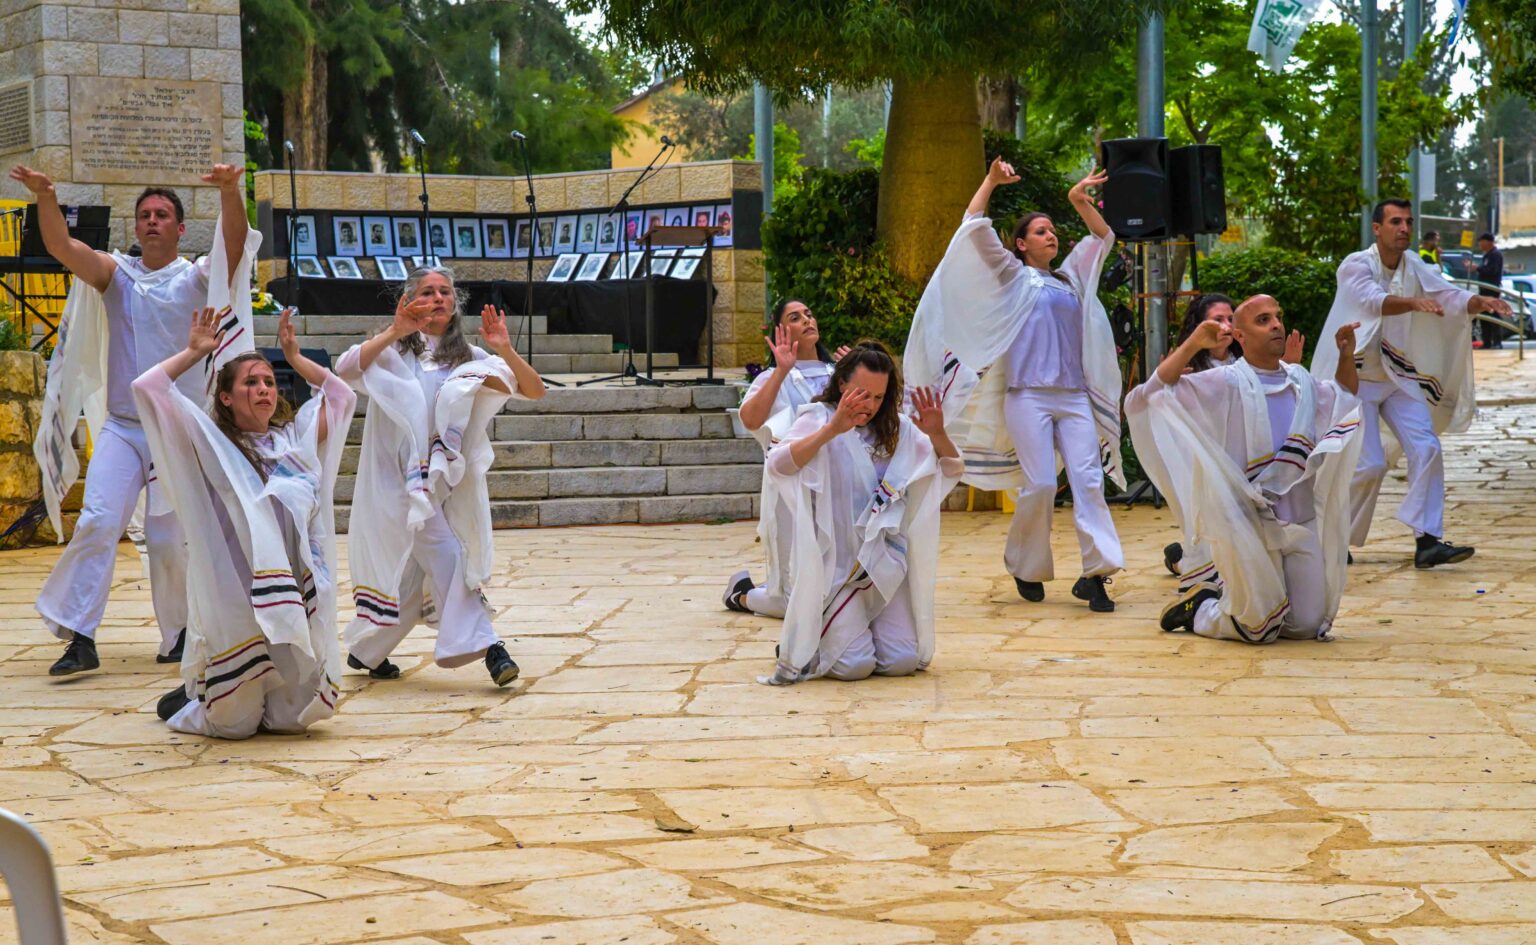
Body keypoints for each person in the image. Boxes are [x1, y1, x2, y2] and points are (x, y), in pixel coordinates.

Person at [10, 162, 258, 676]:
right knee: (100, 521)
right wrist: (47, 197)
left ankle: (180, 635)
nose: (151, 221)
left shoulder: (196, 277)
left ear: (180, 228)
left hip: (179, 429)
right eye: (144, 214)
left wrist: (232, 192)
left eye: (162, 214)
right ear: (136, 226)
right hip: (124, 427)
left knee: (169, 540)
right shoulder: (114, 276)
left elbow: (234, 248)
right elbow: (62, 248)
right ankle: (80, 635)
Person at [904, 156, 1125, 612]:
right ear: (1021, 245)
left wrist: (1078, 200)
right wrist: (989, 180)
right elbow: (972, 225)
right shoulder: (1012, 276)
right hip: (1027, 396)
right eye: (1040, 231)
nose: (1051, 235)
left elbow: (1104, 238)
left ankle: (1097, 575)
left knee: (1088, 481)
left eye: (1052, 229)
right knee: (1041, 483)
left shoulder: (1072, 279)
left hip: (1074, 397)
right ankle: (1026, 566)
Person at [135, 307, 354, 737]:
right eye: (251, 382)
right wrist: (193, 352)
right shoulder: (209, 442)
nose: (263, 389)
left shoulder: (294, 441)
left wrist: (295, 359)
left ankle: (217, 691)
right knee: (236, 727)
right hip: (234, 593)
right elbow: (147, 388)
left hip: (290, 588)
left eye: (269, 382)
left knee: (293, 722)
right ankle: (196, 701)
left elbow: (343, 397)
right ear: (226, 397)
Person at [338, 267, 545, 687]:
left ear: (455, 304)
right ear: (409, 299)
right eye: (427, 292)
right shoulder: (393, 353)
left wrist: (505, 349)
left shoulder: (468, 357)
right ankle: (491, 648)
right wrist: (395, 330)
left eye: (445, 292)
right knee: (449, 556)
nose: (437, 298)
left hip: (447, 484)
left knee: (414, 579)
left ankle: (367, 650)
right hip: (400, 482)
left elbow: (533, 389)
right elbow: (345, 370)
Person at [1129, 295, 1363, 643]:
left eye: (1278, 317)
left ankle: (1239, 597)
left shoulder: (1301, 381)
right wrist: (1194, 343)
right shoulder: (1225, 382)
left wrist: (1345, 355)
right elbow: (1153, 392)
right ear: (1240, 335)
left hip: (1299, 520)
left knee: (1304, 627)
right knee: (1259, 629)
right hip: (1247, 522)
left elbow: (1343, 397)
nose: (1276, 325)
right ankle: (1202, 608)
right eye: (1263, 320)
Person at [1312, 199, 1512, 568]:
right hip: (1354, 381)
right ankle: (1333, 540)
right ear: (1377, 229)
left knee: (1427, 447)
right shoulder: (1355, 264)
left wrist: (1478, 301)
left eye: (1408, 222)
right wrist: (1413, 303)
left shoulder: (1414, 265)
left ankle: (1428, 540)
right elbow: (1372, 301)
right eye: (1395, 221)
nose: (1404, 228)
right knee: (1369, 464)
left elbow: (1444, 293)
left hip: (1395, 376)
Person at [760, 342, 963, 684]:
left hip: (883, 563)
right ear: (841, 384)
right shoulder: (819, 417)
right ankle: (820, 635)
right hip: (838, 568)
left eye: (878, 397)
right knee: (853, 666)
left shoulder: (897, 429)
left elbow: (948, 468)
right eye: (861, 394)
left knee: (902, 660)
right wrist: (832, 430)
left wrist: (938, 433)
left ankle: (858, 626)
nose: (869, 405)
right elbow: (778, 465)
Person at [1160, 293, 1305, 579]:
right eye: (1217, 320)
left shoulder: (1248, 364)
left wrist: (1289, 365)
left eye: (1230, 319)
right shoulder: (1194, 367)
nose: (1225, 326)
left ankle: (1187, 561)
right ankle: (1190, 569)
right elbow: (1161, 390)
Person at [723, 299, 849, 618]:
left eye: (809, 313)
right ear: (781, 330)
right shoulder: (772, 376)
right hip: (791, 489)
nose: (807, 319)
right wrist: (781, 371)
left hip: (837, 484)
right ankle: (743, 595)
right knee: (794, 601)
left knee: (836, 586)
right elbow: (750, 419)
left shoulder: (837, 373)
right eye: (795, 317)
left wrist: (859, 374)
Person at [1475, 233, 1507, 348]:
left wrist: (1478, 268)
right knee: (1485, 315)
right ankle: (1487, 342)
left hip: (1491, 289)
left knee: (1493, 315)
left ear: (1488, 242)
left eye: (1481, 241)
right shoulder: (1487, 255)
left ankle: (1497, 341)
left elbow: (1492, 271)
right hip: (1484, 289)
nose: (1480, 244)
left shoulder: (1495, 255)